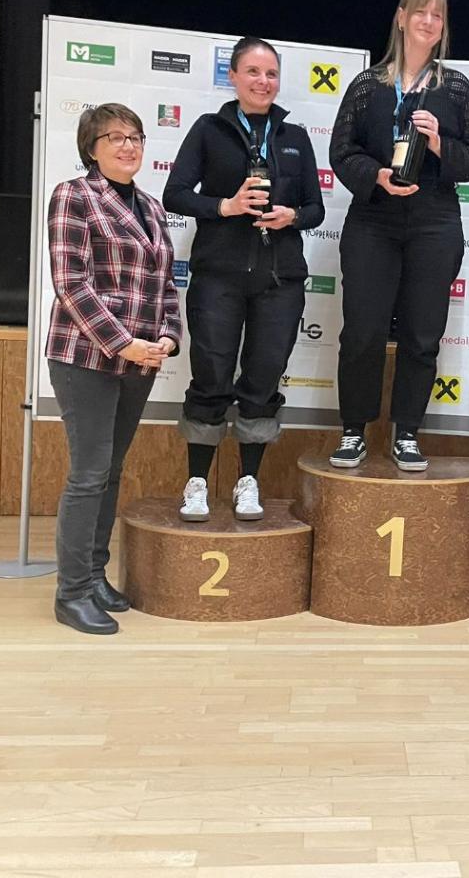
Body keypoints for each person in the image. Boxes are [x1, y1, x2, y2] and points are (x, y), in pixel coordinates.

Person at [328, 0, 469, 472]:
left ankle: (408, 433)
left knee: (422, 333)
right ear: (401, 17)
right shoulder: (367, 85)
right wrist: (376, 175)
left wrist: (439, 143)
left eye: (437, 15)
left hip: (434, 220)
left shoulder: (456, 88)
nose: (428, 21)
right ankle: (354, 430)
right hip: (373, 219)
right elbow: (341, 152)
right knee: (363, 331)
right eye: (420, 11)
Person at [164, 37, 325, 522]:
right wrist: (226, 206)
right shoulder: (209, 129)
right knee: (211, 375)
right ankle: (197, 482)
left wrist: (291, 216)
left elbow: (316, 209)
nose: (263, 81)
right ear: (232, 77)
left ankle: (247, 481)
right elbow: (175, 194)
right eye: (253, 72)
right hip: (219, 276)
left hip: (280, 279)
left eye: (271, 73)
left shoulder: (294, 136)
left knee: (262, 379)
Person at [46, 103, 182, 634]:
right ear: (92, 148)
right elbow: (71, 283)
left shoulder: (151, 206)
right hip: (85, 358)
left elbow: (165, 284)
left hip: (140, 360)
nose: (129, 146)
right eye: (115, 137)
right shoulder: (74, 196)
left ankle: (94, 576)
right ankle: (71, 593)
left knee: (111, 472)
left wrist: (168, 335)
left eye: (136, 137)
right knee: (88, 476)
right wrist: (123, 344)